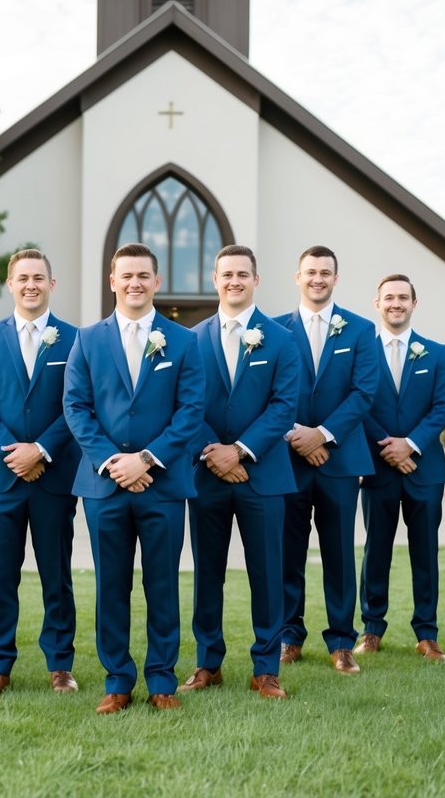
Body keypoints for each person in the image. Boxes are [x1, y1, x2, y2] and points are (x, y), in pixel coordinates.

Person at [63, 242, 205, 714]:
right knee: (111, 585)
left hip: (162, 484)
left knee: (162, 583)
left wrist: (145, 459)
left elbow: (191, 411)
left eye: (143, 275)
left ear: (156, 282)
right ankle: (117, 681)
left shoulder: (183, 341)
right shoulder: (87, 339)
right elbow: (76, 408)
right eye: (126, 276)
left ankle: (162, 680)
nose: (135, 283)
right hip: (104, 486)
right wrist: (112, 461)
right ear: (112, 281)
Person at [179, 245, 299, 700]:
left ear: (256, 280)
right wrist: (216, 454)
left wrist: (242, 452)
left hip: (263, 475)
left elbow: (283, 406)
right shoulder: (190, 339)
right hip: (207, 474)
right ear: (215, 279)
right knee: (207, 572)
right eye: (227, 273)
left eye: (243, 274)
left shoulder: (281, 339)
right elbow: (186, 404)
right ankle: (208, 662)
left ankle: (266, 668)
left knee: (267, 573)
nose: (234, 281)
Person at [0, 249, 81, 696]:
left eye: (39, 277)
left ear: (52, 285)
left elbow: (76, 403)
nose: (30, 284)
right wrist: (12, 451)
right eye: (22, 277)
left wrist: (42, 450)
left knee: (57, 574)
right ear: (10, 284)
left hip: (53, 478)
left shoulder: (74, 339)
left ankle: (60, 665)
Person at [276, 245, 378, 675]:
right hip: (287, 459)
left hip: (339, 460)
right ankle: (288, 636)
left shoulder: (360, 329)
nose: (317, 278)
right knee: (287, 552)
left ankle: (341, 642)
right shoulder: (275, 330)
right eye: (310, 272)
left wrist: (323, 435)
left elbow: (363, 391)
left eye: (325, 272)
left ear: (336, 278)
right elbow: (267, 392)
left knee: (339, 553)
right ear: (297, 277)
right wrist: (297, 436)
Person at [357, 274, 445, 662]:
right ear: (377, 304)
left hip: (424, 468)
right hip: (378, 468)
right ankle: (371, 629)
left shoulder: (437, 353)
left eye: (403, 297)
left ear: (414, 304)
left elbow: (443, 406)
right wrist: (387, 446)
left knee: (425, 552)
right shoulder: (361, 352)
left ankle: (427, 633)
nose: (395, 303)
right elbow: (358, 402)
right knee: (375, 550)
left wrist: (410, 444)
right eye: (389, 297)